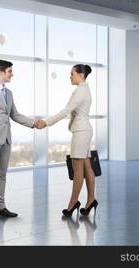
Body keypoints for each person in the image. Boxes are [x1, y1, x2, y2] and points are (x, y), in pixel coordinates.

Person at [0, 59, 44, 221]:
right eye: (10, 71)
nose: (12, 74)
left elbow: (14, 114)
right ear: (0, 72)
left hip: (6, 138)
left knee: (2, 174)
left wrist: (33, 123)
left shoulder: (9, 93)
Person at [38, 64, 98, 217]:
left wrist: (46, 122)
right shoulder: (85, 89)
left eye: (72, 74)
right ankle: (91, 200)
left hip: (81, 131)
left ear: (80, 75)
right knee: (86, 166)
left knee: (78, 169)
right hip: (84, 130)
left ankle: (73, 203)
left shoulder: (80, 90)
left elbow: (66, 110)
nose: (70, 77)